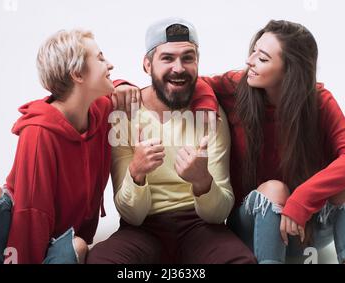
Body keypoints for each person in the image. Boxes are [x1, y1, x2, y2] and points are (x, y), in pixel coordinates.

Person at [86, 17, 256, 264]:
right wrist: (137, 172)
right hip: (142, 229)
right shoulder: (124, 114)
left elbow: (219, 213)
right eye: (167, 58)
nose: (179, 67)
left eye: (188, 58)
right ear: (147, 65)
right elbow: (131, 215)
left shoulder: (209, 114)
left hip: (200, 227)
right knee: (101, 261)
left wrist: (202, 181)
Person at [200, 20, 345, 264]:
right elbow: (194, 84)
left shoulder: (319, 101)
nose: (250, 61)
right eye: (254, 51)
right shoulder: (236, 86)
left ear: (290, 70)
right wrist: (207, 107)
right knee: (274, 188)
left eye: (263, 58)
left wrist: (301, 199)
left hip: (303, 229)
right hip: (252, 224)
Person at [0, 29, 115, 264]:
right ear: (77, 73)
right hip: (23, 225)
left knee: (77, 246)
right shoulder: (39, 132)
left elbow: (129, 92)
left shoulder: (100, 109)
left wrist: (124, 85)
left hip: (59, 234)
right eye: (100, 58)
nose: (110, 64)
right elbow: (31, 212)